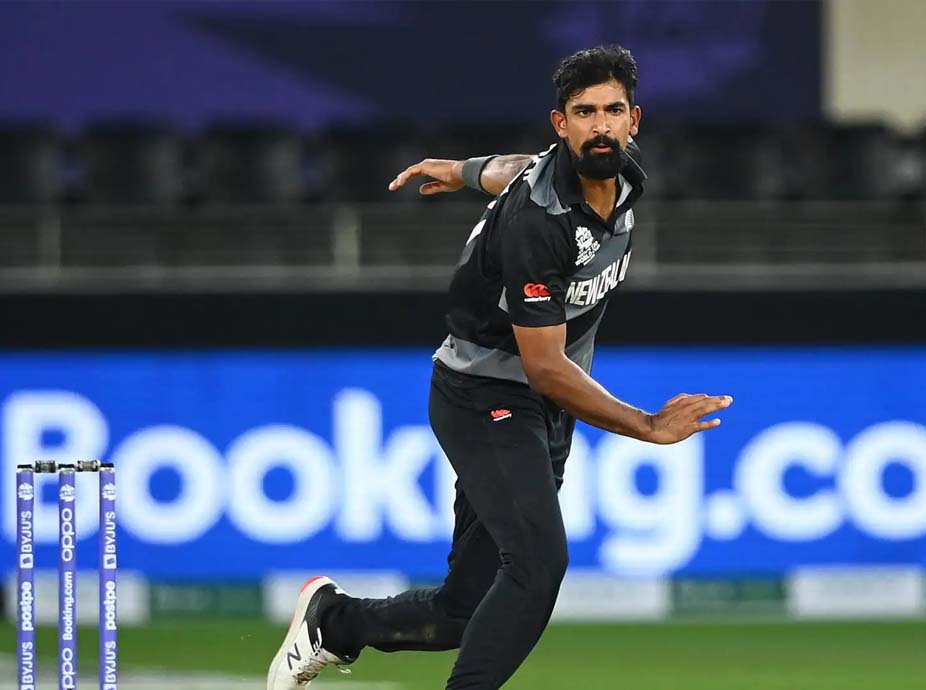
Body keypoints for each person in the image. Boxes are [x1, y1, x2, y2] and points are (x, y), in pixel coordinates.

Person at [266, 44, 732, 690]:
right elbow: (545, 368)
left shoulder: (620, 175)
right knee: (538, 563)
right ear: (560, 124)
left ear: (634, 120)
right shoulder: (539, 223)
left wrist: (462, 171)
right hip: (485, 396)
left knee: (463, 612)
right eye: (584, 113)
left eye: (612, 110)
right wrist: (648, 425)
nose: (600, 125)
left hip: (544, 410)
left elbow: (515, 168)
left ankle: (334, 623)